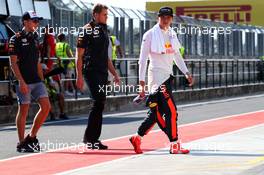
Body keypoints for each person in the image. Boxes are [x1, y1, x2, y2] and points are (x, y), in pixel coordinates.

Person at [129, 7, 194, 154]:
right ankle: (174, 144)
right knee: (171, 111)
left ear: (171, 19)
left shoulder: (172, 34)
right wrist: (141, 83)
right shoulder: (149, 35)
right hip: (157, 80)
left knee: (155, 114)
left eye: (168, 17)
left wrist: (186, 72)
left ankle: (137, 138)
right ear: (158, 17)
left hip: (167, 77)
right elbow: (143, 59)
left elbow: (177, 56)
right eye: (163, 17)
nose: (165, 20)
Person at [76, 3, 120, 149]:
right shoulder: (86, 30)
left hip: (102, 72)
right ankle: (90, 139)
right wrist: (79, 76)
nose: (106, 17)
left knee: (100, 104)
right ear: (95, 14)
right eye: (104, 15)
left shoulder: (103, 30)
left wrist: (115, 74)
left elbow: (106, 57)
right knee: (98, 101)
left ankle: (91, 138)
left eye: (107, 15)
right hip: (90, 71)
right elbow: (79, 55)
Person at [9, 11, 51, 152]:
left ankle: (31, 137)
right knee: (24, 109)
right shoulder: (15, 39)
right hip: (23, 81)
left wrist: (42, 80)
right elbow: (13, 63)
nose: (37, 23)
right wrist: (21, 81)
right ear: (25, 22)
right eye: (34, 21)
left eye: (37, 21)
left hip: (36, 80)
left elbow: (37, 62)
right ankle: (21, 142)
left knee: (46, 107)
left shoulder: (35, 37)